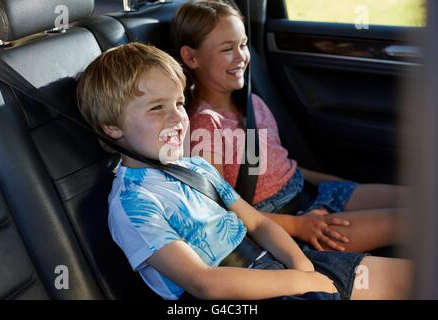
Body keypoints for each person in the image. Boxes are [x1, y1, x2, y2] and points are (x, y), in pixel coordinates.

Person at [76, 42, 412, 300]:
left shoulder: (196, 167)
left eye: (178, 103)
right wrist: (297, 281)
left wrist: (302, 266)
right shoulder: (133, 204)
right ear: (112, 128)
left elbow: (259, 222)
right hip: (234, 294)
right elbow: (203, 283)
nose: (178, 117)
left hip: (281, 265)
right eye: (156, 108)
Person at [174, 0, 405, 253]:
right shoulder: (205, 128)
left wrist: (341, 184)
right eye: (227, 49)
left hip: (312, 192)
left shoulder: (252, 103)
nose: (242, 56)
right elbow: (220, 213)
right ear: (191, 57)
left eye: (242, 44)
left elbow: (282, 165)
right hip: (284, 224)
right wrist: (297, 226)